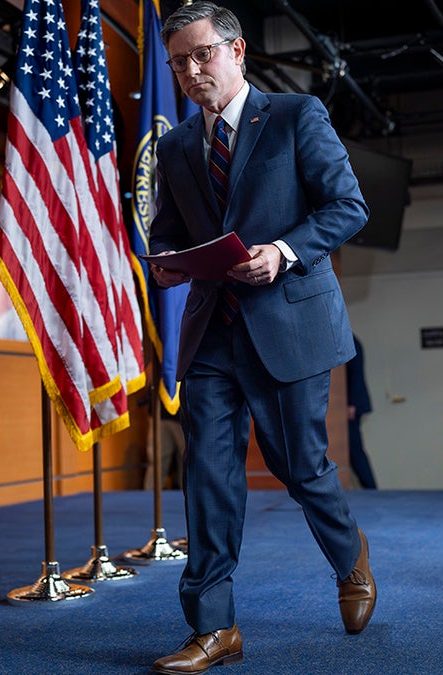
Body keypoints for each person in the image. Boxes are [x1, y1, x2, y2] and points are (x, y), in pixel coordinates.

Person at [147, 3, 375, 672]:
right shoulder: (175, 146)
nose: (190, 71)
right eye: (178, 62)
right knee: (208, 476)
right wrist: (165, 261)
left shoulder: (298, 117)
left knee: (300, 467)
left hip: (287, 320)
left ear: (238, 51)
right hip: (212, 331)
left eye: (202, 55)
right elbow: (168, 229)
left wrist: (282, 250)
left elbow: (348, 206)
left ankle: (349, 557)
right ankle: (215, 628)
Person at [347, 334, 378, 489]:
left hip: (350, 406)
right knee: (353, 450)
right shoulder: (348, 339)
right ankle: (369, 487)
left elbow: (356, 373)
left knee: (354, 449)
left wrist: (352, 403)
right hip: (347, 405)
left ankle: (370, 487)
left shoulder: (349, 340)